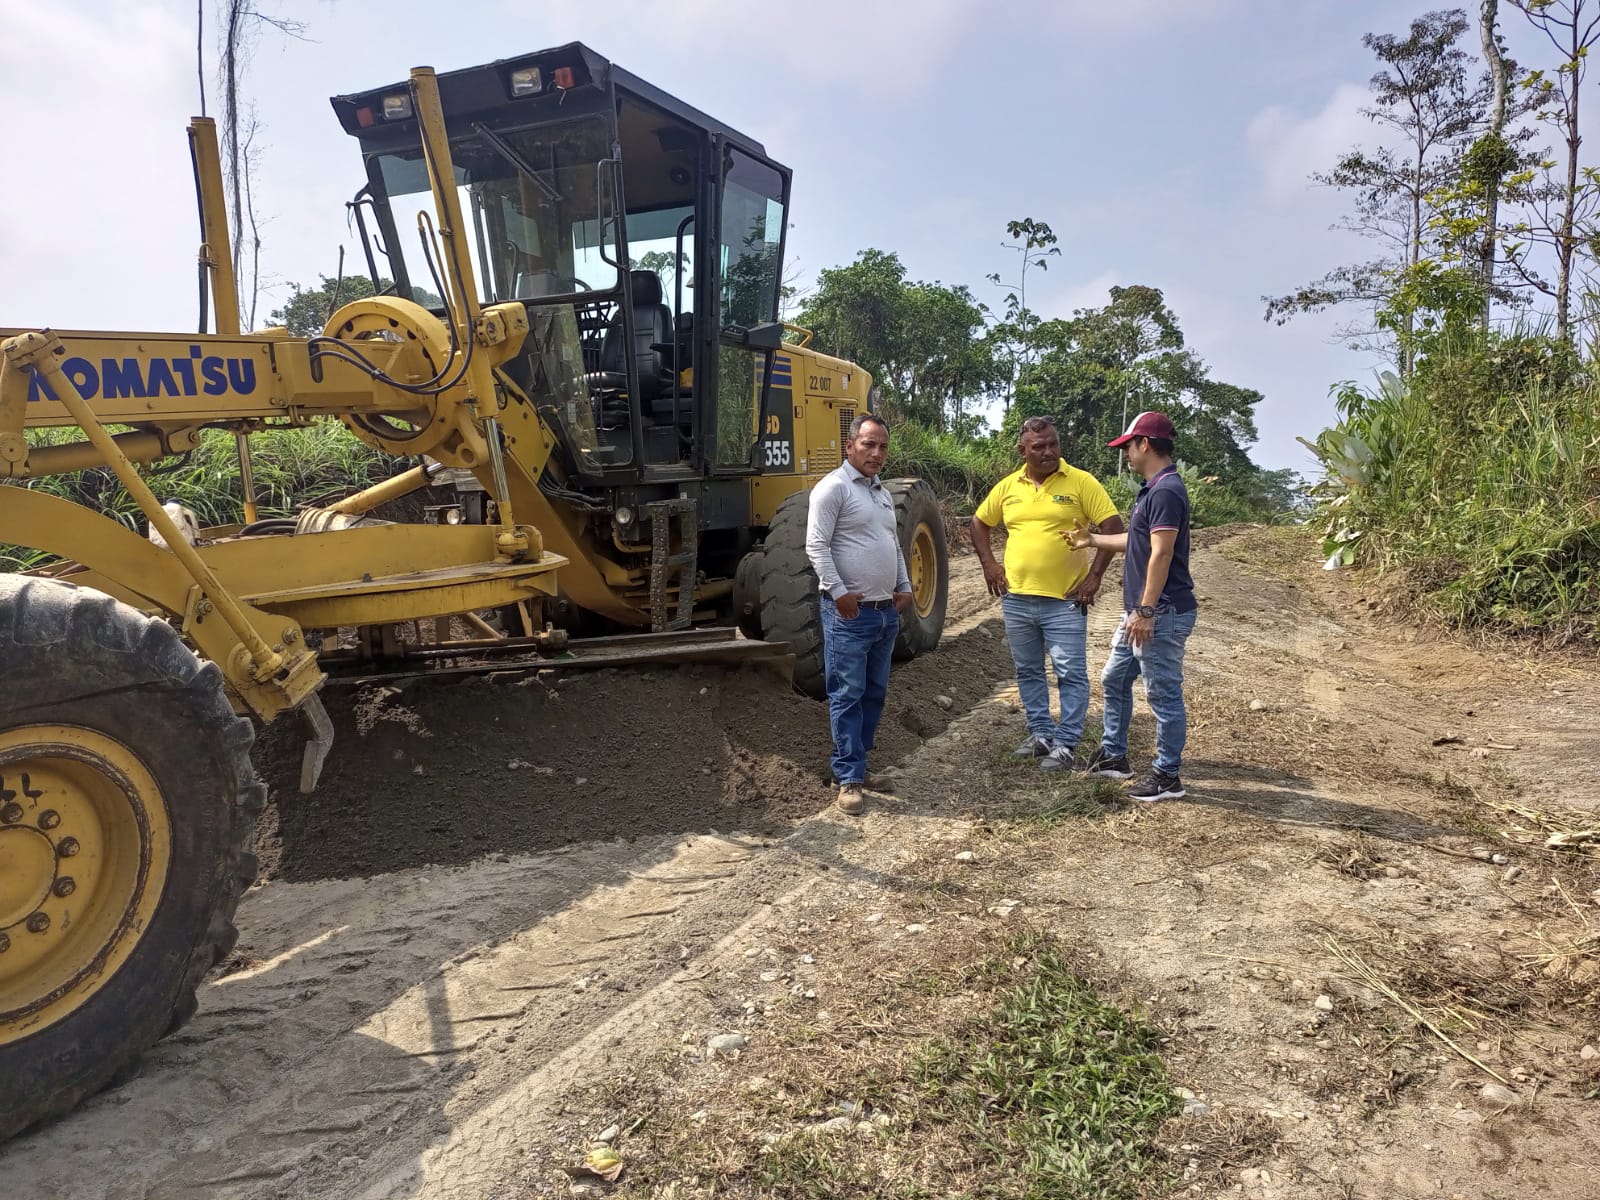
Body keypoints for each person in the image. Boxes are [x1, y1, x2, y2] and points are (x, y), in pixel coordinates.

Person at [971, 416, 1123, 772]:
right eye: (1038, 446)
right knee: (1028, 670)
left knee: (1070, 673)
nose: (1048, 451)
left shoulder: (1081, 482)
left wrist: (1094, 577)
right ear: (1022, 450)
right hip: (1017, 598)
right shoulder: (1009, 486)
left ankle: (1066, 743)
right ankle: (1040, 734)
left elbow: (1113, 527)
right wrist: (989, 565)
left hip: (1065, 601)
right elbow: (979, 522)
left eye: (1053, 443)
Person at [1068, 411, 1197, 801]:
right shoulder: (1153, 489)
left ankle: (1167, 776)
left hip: (1160, 612)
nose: (1125, 453)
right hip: (1143, 612)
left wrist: (1145, 611)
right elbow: (1137, 540)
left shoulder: (1166, 491)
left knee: (1162, 693)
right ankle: (1113, 755)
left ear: (1145, 444)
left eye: (1128, 446)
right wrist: (1091, 540)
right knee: (1115, 678)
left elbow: (1161, 554)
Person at [805, 414, 913, 815]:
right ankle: (847, 777)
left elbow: (892, 543)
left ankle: (859, 765)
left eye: (883, 446)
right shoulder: (833, 488)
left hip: (885, 612)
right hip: (849, 616)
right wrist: (839, 594)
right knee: (847, 694)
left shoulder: (880, 492)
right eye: (868, 444)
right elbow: (816, 545)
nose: (876, 453)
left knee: (873, 693)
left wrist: (904, 585)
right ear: (849, 446)